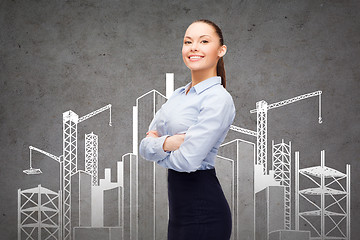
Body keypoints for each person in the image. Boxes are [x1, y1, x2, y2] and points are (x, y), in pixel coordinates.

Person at [139, 19, 235, 240]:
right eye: (188, 41)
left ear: (221, 50)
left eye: (204, 41)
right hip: (178, 214)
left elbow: (187, 161)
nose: (194, 47)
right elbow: (144, 147)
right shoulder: (178, 95)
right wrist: (171, 143)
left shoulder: (218, 98)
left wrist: (158, 149)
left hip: (206, 212)